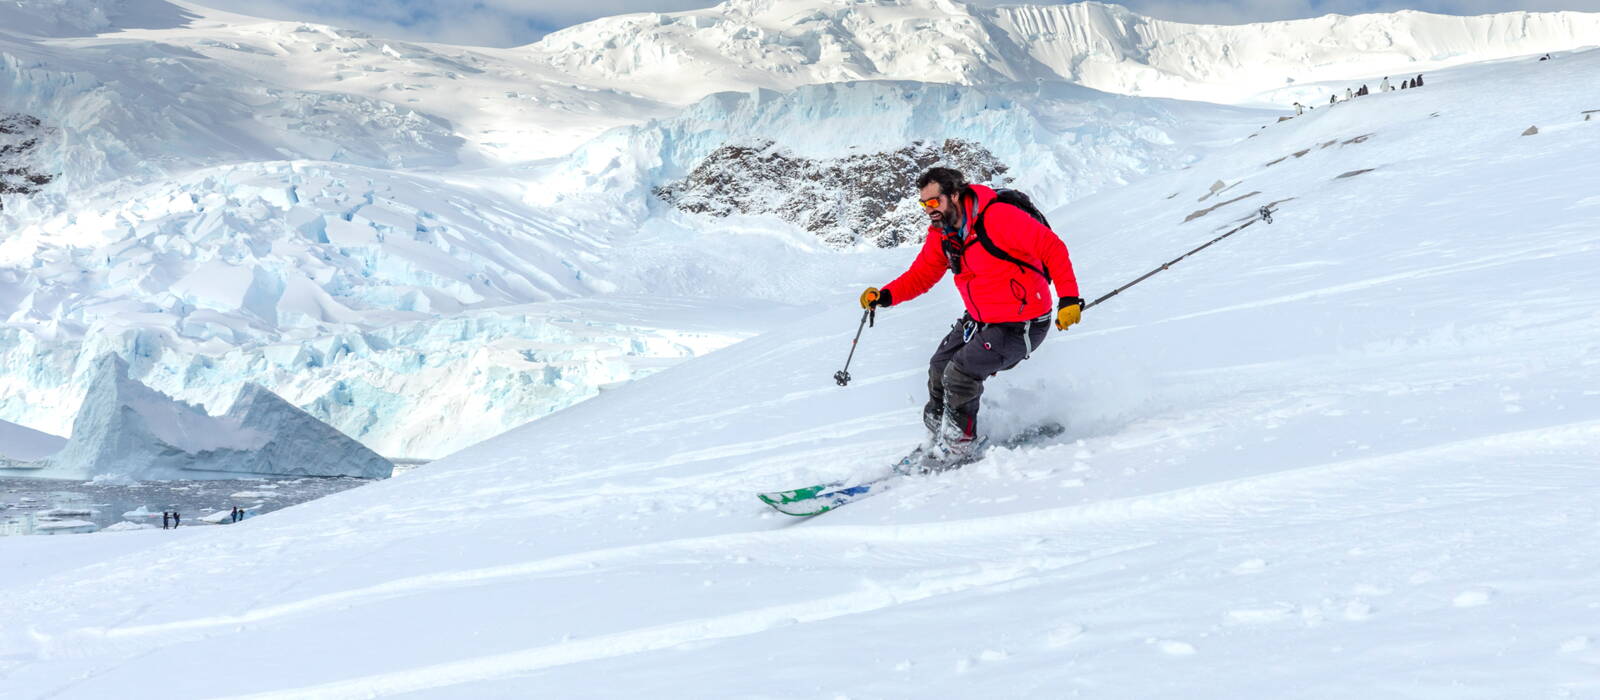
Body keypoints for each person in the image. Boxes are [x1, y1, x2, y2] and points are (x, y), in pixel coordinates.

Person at [860, 168, 1081, 469]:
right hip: (981, 320)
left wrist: (1068, 298)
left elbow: (1051, 248)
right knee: (939, 367)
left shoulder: (998, 218)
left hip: (1021, 323)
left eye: (934, 202)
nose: (929, 210)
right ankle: (939, 436)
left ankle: (957, 446)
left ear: (954, 195)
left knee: (960, 374)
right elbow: (922, 275)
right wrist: (885, 296)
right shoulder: (944, 234)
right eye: (923, 204)